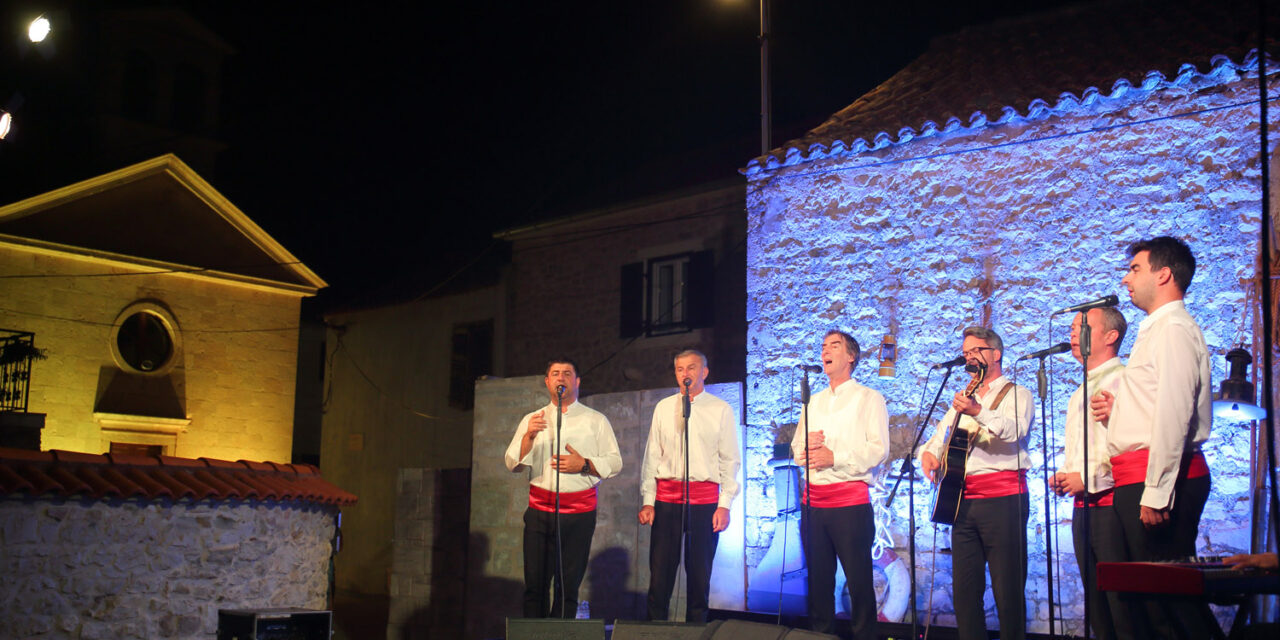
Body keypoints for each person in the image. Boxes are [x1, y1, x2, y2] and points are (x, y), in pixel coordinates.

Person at [1092, 236, 1214, 639]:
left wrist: (1157, 491)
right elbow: (1156, 401)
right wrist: (1123, 408)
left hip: (1155, 479)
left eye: (1135, 269)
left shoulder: (1174, 328)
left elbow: (1175, 411)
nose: (1126, 278)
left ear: (1164, 274)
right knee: (1152, 603)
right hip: (1137, 476)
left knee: (1172, 602)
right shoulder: (1157, 329)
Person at [920, 326, 1034, 640]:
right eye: (966, 352)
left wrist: (978, 411)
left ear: (995, 354)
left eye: (977, 351)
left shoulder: (1017, 394)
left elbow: (1015, 431)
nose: (970, 357)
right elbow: (935, 440)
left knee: (1007, 589)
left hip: (1004, 500)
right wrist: (927, 456)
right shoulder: (963, 397)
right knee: (965, 590)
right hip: (963, 503)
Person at [504, 358, 622, 618]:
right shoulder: (531, 420)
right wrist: (528, 438)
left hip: (579, 515)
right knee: (535, 588)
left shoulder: (595, 420)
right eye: (555, 374)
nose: (561, 378)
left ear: (577, 381)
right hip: (540, 513)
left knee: (567, 589)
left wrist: (584, 465)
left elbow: (615, 463)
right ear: (547, 382)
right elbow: (513, 464)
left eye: (567, 374)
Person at [790, 330, 888, 639]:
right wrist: (805, 450)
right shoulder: (813, 401)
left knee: (859, 582)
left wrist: (835, 457)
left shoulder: (869, 398)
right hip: (813, 505)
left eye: (834, 346)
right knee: (819, 582)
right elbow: (796, 449)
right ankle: (820, 635)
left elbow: (878, 450)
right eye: (823, 346)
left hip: (849, 504)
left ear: (851, 356)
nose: (825, 351)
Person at [638, 349, 741, 622]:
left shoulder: (720, 409)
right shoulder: (663, 407)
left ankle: (696, 632)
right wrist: (649, 500)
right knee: (659, 579)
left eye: (692, 367)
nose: (686, 373)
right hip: (667, 501)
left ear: (704, 372)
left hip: (704, 503)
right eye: (680, 369)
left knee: (699, 579)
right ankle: (654, 634)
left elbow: (729, 460)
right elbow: (652, 457)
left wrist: (725, 505)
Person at [1050, 307, 1130, 640]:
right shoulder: (1077, 392)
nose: (1073, 334)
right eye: (1071, 327)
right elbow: (1084, 447)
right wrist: (1066, 472)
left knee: (1122, 600)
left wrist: (1091, 478)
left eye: (1083, 327)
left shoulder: (1123, 380)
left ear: (1110, 337)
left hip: (1113, 505)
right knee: (1096, 603)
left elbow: (1128, 445)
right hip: (1083, 506)